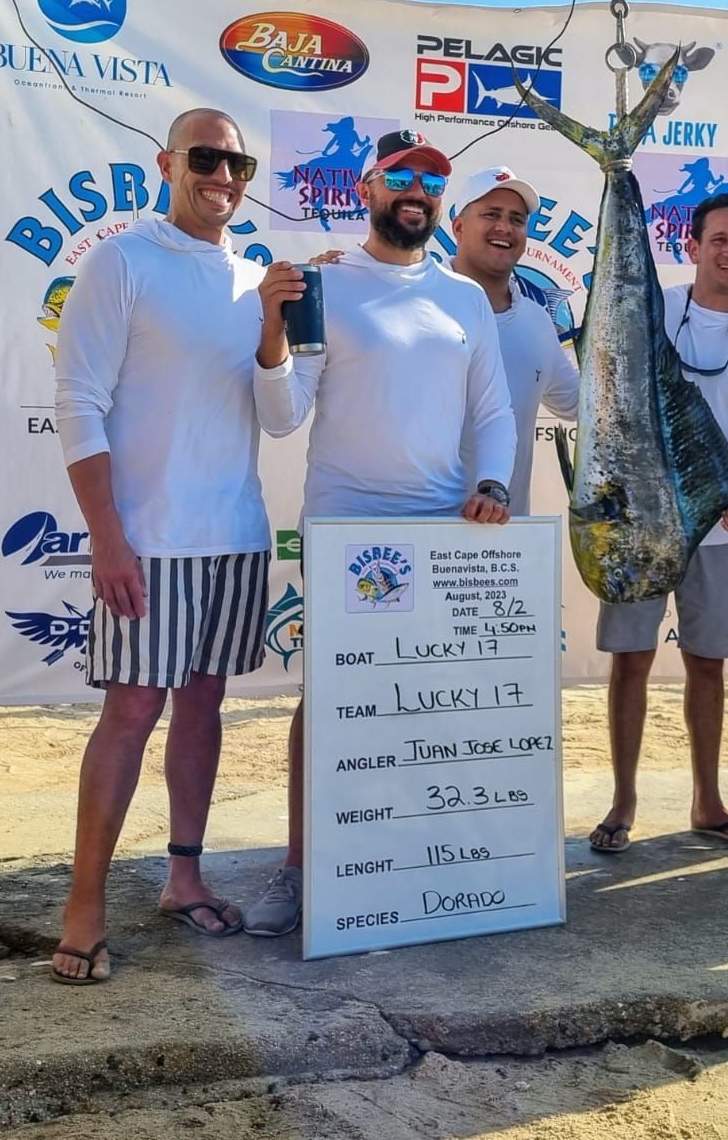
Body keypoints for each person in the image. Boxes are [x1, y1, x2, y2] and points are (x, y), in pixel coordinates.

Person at [242, 129, 516, 938]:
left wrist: (493, 484)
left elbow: (493, 413)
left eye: (431, 180)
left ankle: (405, 872)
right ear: (367, 189)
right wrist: (270, 332)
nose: (416, 190)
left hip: (440, 532)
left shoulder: (465, 296)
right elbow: (284, 415)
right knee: (328, 702)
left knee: (425, 710)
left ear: (442, 200)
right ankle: (300, 869)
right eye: (400, 175)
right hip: (347, 534)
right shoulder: (326, 285)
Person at [49, 108, 273, 984]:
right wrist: (108, 539)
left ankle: (184, 876)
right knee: (132, 712)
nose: (223, 175)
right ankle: (84, 905)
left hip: (236, 536)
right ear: (168, 162)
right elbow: (78, 405)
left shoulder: (253, 279)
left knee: (205, 705)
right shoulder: (119, 259)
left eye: (237, 162)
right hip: (149, 542)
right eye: (207, 157)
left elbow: (276, 403)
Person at [588, 192, 728, 854]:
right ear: (693, 246)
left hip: (719, 529)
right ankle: (623, 802)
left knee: (708, 664)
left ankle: (709, 801)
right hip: (639, 525)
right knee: (632, 660)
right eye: (720, 239)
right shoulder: (653, 310)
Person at [448, 165, 579, 513]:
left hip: (504, 542)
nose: (504, 227)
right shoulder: (421, 301)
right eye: (491, 214)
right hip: (419, 530)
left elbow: (581, 405)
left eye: (517, 219)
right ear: (458, 227)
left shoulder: (537, 319)